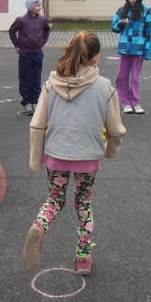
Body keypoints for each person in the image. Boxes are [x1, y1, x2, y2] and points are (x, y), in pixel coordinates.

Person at [22, 32, 126, 276]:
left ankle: (40, 225)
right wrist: (110, 151)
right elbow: (115, 129)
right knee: (83, 203)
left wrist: (36, 160)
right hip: (87, 159)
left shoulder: (51, 84)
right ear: (96, 58)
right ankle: (82, 257)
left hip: (57, 155)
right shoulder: (104, 88)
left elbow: (37, 124)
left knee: (55, 199)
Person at [111, 0, 151, 115]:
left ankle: (135, 102)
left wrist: (147, 51)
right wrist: (121, 23)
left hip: (138, 49)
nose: (132, 0)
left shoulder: (147, 11)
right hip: (124, 48)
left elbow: (150, 32)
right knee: (122, 76)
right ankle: (126, 103)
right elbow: (113, 27)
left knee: (135, 77)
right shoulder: (121, 10)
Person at [9, 0, 51, 115]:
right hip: (25, 54)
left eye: (40, 5)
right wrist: (17, 44)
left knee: (36, 78)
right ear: (30, 7)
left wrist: (42, 42)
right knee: (25, 78)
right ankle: (26, 102)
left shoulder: (43, 20)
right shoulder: (21, 20)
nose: (39, 7)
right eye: (37, 5)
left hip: (37, 53)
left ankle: (35, 102)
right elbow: (12, 31)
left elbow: (47, 31)